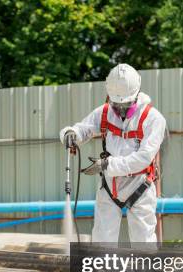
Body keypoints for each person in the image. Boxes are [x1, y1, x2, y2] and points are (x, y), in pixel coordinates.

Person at [60, 63, 166, 243]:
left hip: (139, 185)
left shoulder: (153, 119)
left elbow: (143, 158)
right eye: (116, 105)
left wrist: (107, 165)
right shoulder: (105, 112)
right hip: (109, 186)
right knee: (102, 239)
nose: (120, 110)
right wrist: (71, 134)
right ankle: (105, 271)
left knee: (143, 240)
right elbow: (83, 129)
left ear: (136, 94)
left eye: (124, 105)